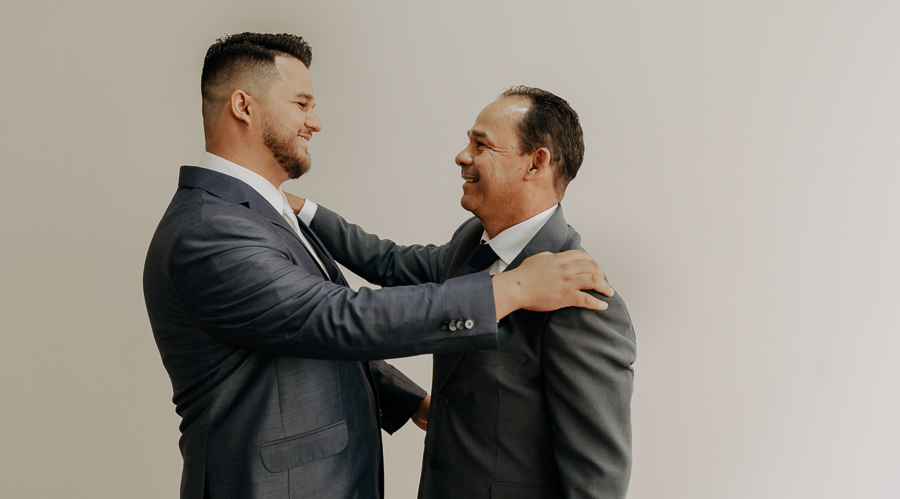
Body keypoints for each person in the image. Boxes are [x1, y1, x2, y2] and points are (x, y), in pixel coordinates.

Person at [143, 33, 613, 499]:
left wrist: (406, 399)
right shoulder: (211, 230)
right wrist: (513, 290)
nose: (316, 122)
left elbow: (294, 332)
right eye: (302, 104)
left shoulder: (257, 213)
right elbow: (333, 318)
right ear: (244, 106)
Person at [293, 87, 636, 499]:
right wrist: (296, 209)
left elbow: (598, 480)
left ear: (536, 163)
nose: (462, 155)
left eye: (481, 144)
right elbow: (389, 262)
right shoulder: (469, 243)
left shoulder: (583, 299)